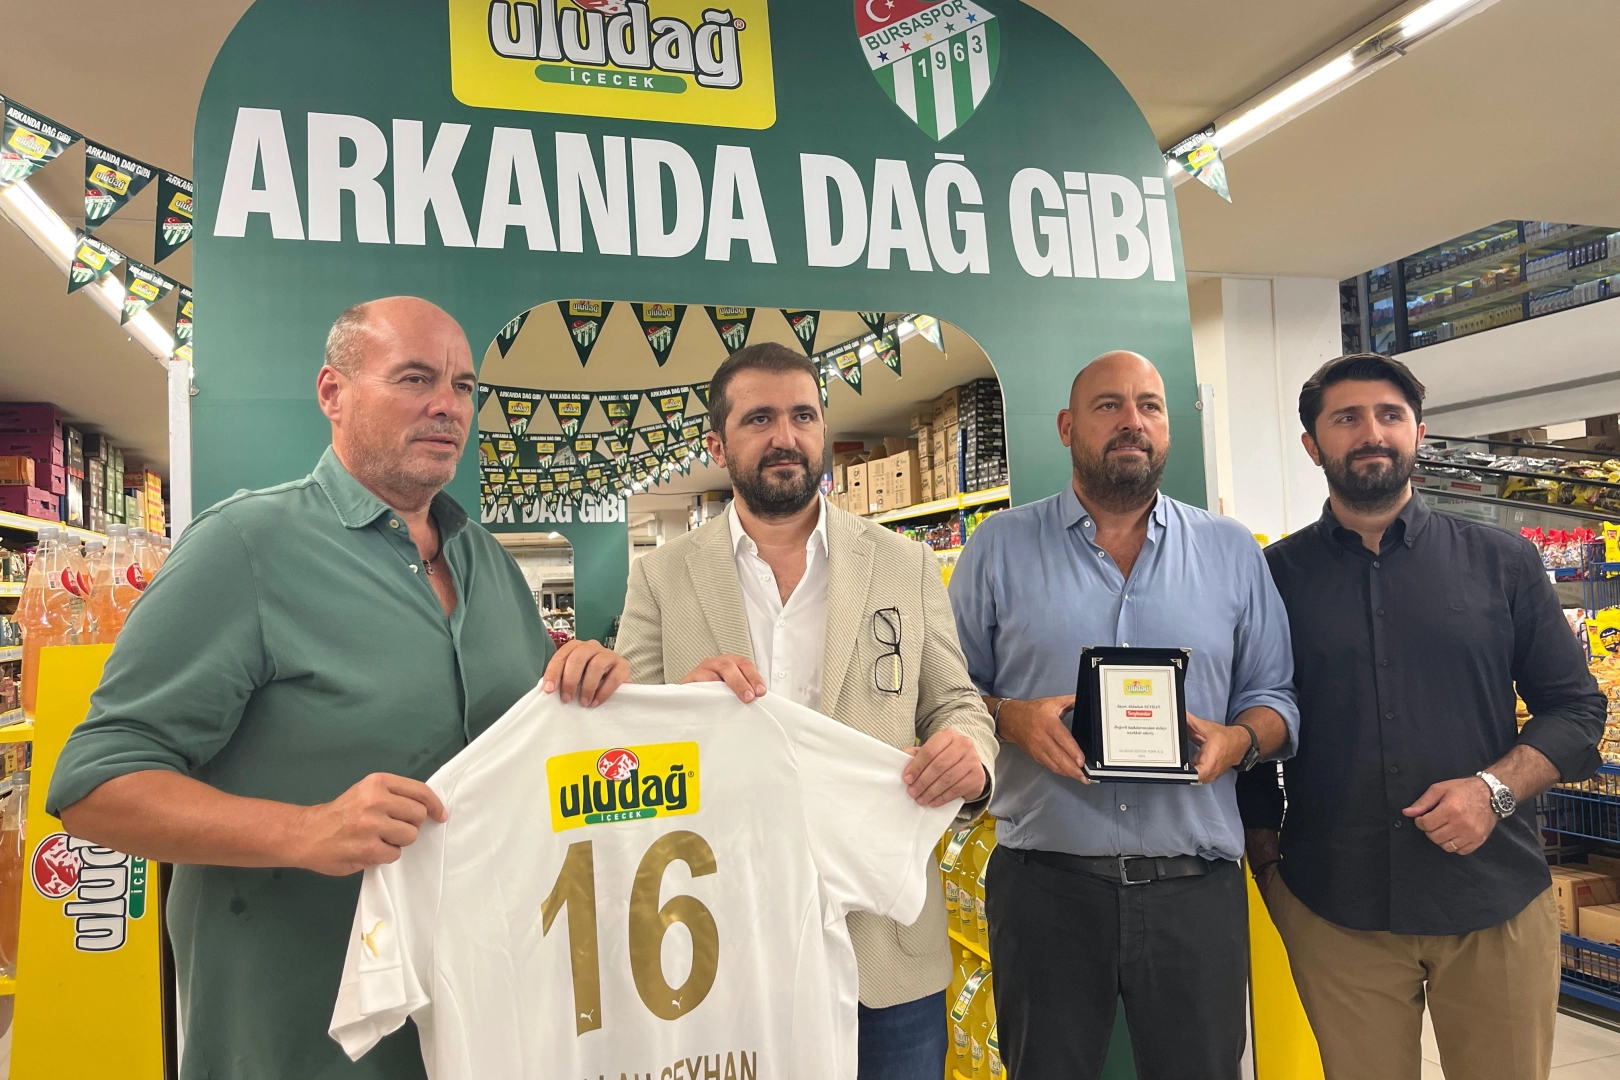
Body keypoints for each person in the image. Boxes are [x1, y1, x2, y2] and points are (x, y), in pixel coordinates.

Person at [47, 297, 630, 1080]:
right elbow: (94, 786)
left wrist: (615, 702)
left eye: (463, 386)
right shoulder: (245, 547)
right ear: (333, 393)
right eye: (415, 378)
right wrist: (304, 830)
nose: (447, 405)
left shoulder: (488, 564)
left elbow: (531, 758)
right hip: (297, 1034)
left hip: (478, 1023)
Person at [615, 341, 998, 1080]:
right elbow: (624, 753)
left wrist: (969, 755)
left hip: (885, 955)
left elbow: (956, 702)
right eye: (759, 419)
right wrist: (682, 709)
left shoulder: (904, 563)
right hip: (722, 952)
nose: (785, 436)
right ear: (717, 445)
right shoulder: (662, 577)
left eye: (803, 416)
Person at [1238, 353, 1605, 1080]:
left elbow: (1577, 708)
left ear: (1418, 434)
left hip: (1495, 898)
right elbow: (1248, 726)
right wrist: (1269, 867)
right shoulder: (1271, 579)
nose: (1371, 433)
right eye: (1347, 418)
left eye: (1390, 415)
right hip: (1335, 907)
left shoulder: (1503, 562)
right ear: (1312, 445)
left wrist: (1492, 791)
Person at [948, 351, 1299, 1080]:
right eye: (1108, 405)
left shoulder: (1231, 550)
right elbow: (946, 694)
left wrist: (1238, 740)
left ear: (1167, 426)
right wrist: (1009, 718)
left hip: (1194, 890)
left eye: (1150, 406)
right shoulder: (999, 548)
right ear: (1067, 426)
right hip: (1045, 887)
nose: (1132, 421)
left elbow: (1278, 702)